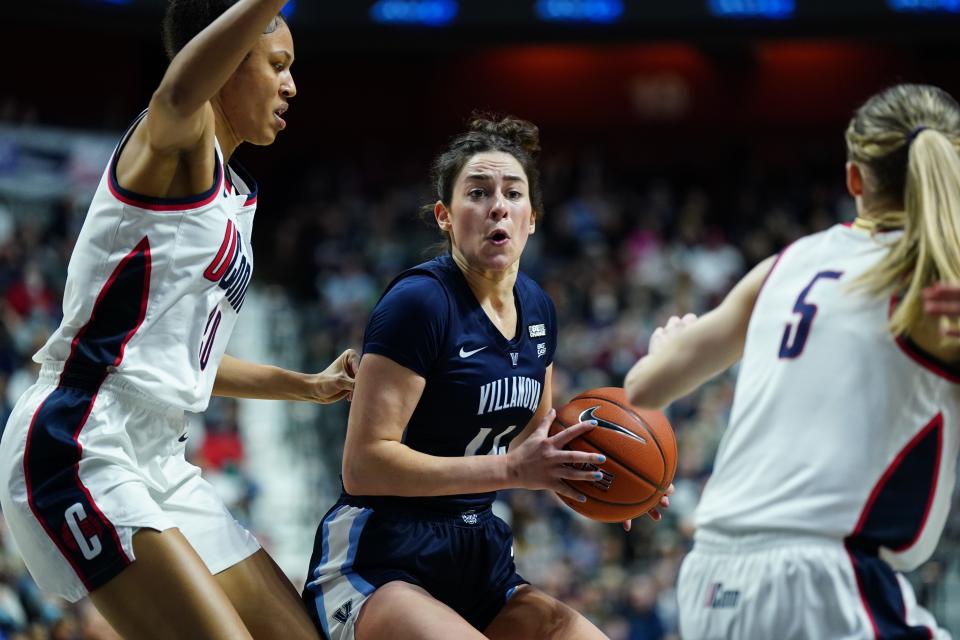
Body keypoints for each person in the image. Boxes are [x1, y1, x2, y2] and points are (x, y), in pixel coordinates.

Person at [0, 1, 357, 638]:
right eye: (276, 64)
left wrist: (305, 385)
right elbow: (179, 88)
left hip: (160, 450)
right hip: (80, 439)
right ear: (224, 59)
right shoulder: (174, 142)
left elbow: (180, 363)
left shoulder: (234, 195)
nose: (291, 85)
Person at [302, 114, 670, 640]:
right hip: (382, 556)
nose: (498, 205)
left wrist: (613, 468)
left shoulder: (539, 307)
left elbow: (537, 436)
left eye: (513, 193)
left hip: (478, 554)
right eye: (477, 192)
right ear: (444, 216)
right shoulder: (420, 303)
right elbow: (364, 466)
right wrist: (511, 472)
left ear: (532, 218)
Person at [624, 83, 960, 639]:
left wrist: (667, 346)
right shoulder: (934, 279)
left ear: (855, 178)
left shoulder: (791, 262)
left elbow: (645, 387)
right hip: (822, 582)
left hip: (709, 579)